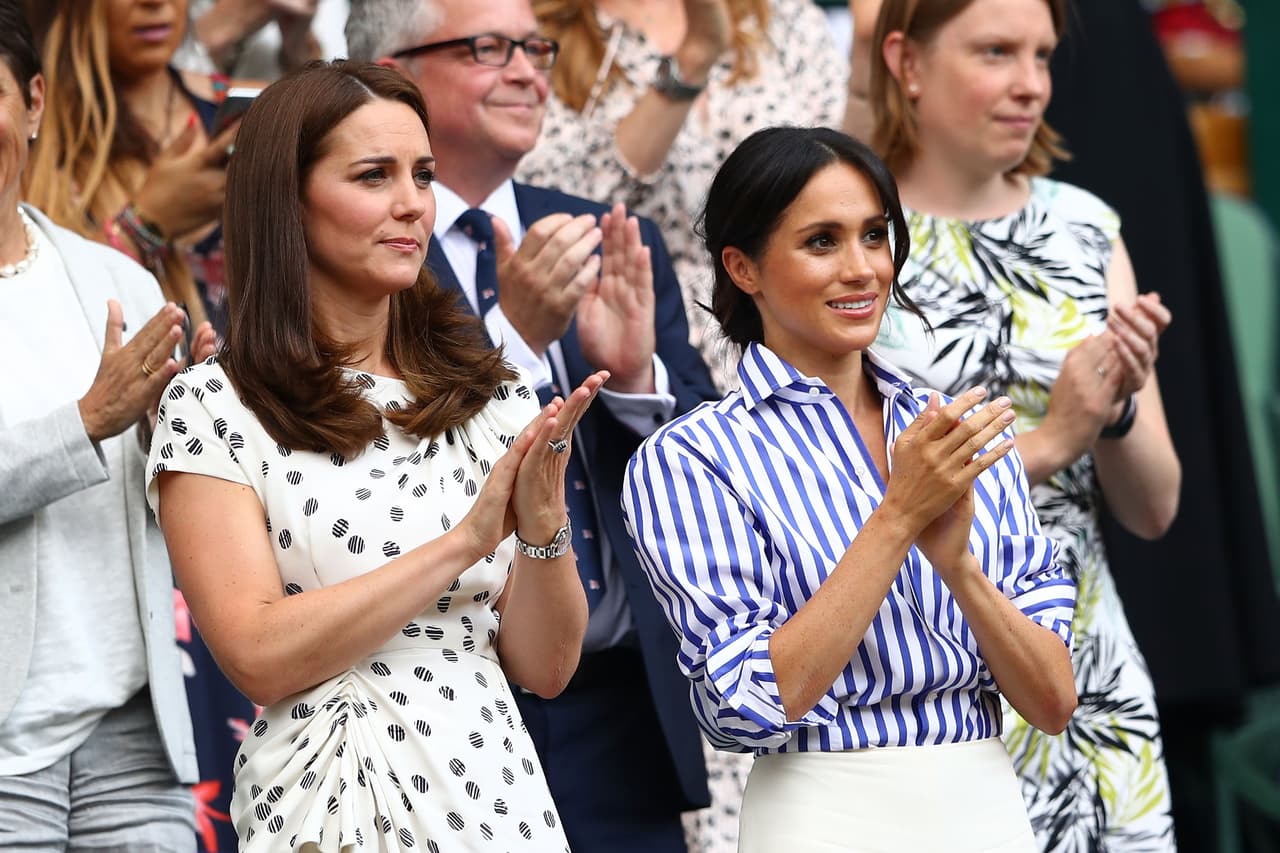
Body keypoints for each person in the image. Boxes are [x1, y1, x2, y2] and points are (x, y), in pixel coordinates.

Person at [147, 59, 607, 851]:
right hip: (331, 800)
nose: (412, 204)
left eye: (422, 174)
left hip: (495, 793)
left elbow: (547, 665)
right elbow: (257, 653)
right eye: (373, 175)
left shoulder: (492, 394)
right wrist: (464, 541)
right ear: (288, 198)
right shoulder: (213, 405)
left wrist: (541, 522)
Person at [622, 124, 1078, 852]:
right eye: (822, 241)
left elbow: (1054, 700)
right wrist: (898, 517)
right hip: (819, 812)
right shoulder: (692, 457)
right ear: (743, 268)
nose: (863, 267)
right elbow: (751, 705)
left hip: (987, 804)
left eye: (875, 234)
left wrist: (957, 566)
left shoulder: (958, 430)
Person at [346, 1, 720, 849]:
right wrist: (508, 338)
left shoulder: (604, 235)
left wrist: (633, 378)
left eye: (535, 47)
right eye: (487, 48)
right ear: (395, 74)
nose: (526, 69)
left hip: (622, 707)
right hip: (440, 700)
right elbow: (374, 461)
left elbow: (708, 467)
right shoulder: (353, 248)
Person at [866, 0, 1182, 848]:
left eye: (1042, 56)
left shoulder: (1084, 229)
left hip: (1086, 671)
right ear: (908, 60)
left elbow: (1155, 510)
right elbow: (840, 503)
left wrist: (1115, 407)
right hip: (918, 682)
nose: (1031, 85)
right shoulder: (855, 236)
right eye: (997, 52)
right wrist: (1052, 439)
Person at [0, 1, 215, 847]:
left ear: (36, 105)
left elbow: (168, 506)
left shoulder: (112, 278)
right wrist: (90, 421)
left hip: (132, 730)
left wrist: (180, 431)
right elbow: (88, 428)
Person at [516, 0, 860, 390]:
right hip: (638, 341)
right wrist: (693, 59)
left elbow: (842, 178)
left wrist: (867, 51)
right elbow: (555, 210)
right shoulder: (536, 29)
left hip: (796, 324)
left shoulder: (786, 17)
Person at [24, 0, 243, 332]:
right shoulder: (28, 141)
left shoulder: (238, 109)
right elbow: (36, 322)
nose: (154, 3)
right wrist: (142, 227)